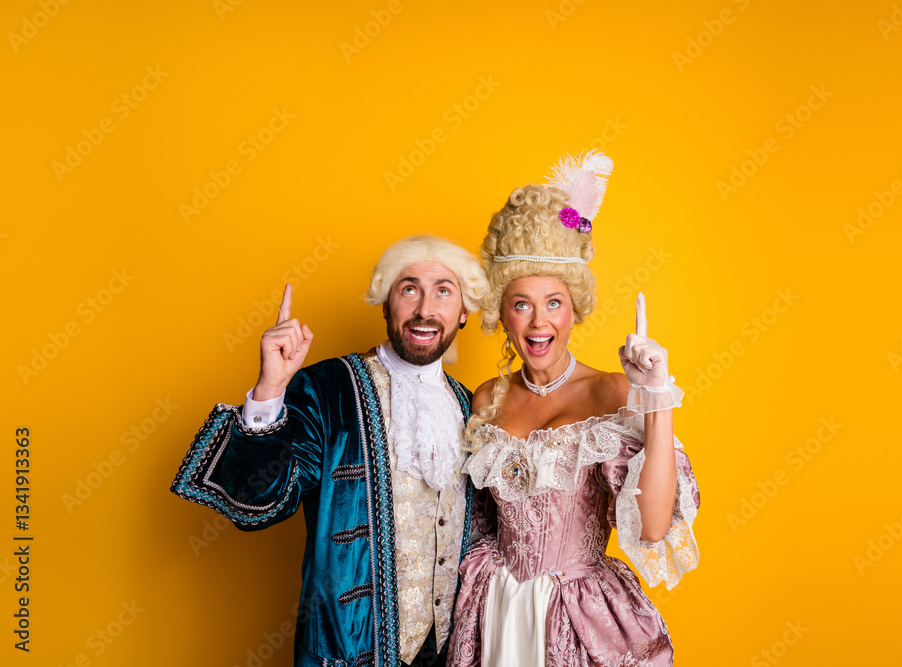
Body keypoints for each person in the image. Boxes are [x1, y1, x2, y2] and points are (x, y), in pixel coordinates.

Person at [170, 235, 491, 667]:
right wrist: (270, 389)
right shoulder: (326, 388)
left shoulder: (474, 407)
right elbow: (257, 503)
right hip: (349, 648)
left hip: (452, 651)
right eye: (408, 288)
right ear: (386, 304)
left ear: (464, 312)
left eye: (444, 291)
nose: (425, 310)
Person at [447, 152, 701, 666]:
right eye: (522, 303)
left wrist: (656, 396)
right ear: (503, 313)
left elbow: (652, 527)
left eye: (554, 302)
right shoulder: (485, 401)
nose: (538, 322)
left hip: (574, 616)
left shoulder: (611, 393)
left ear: (574, 309)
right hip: (494, 610)